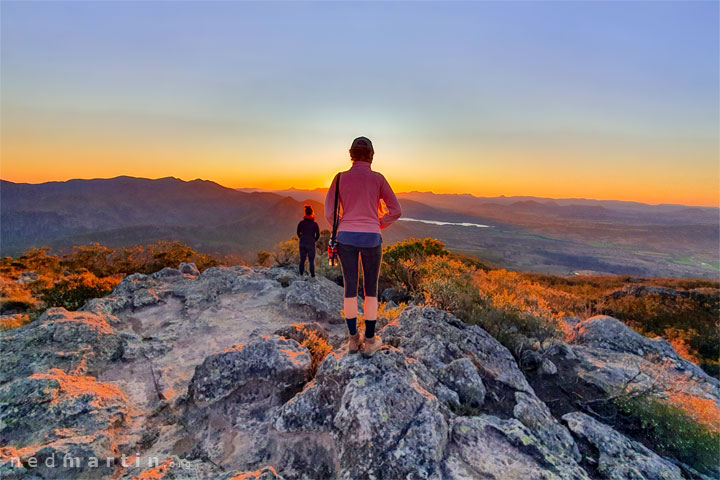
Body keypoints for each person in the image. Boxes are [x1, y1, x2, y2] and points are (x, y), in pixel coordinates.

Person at [324, 136, 402, 356]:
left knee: (350, 286)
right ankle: (369, 341)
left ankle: (352, 340)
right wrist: (377, 222)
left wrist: (345, 225)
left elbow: (330, 213)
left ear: (351, 155)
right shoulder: (378, 179)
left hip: (345, 237)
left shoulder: (339, 179)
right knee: (370, 289)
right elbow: (396, 210)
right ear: (371, 155)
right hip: (371, 238)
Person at [297, 204, 320, 277]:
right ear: (312, 213)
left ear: (305, 213)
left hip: (302, 243)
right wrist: (314, 240)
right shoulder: (315, 224)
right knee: (311, 261)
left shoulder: (301, 223)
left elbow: (298, 233)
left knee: (302, 260)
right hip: (311, 244)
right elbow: (318, 235)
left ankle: (300, 275)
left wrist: (302, 238)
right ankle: (312, 276)